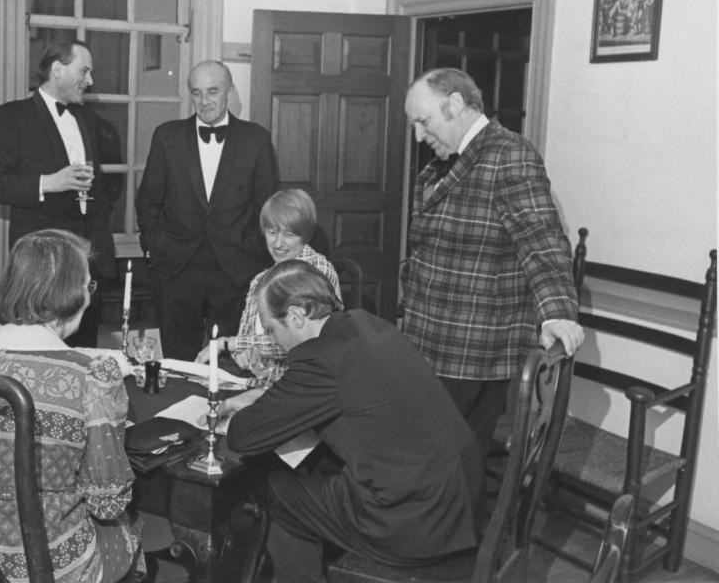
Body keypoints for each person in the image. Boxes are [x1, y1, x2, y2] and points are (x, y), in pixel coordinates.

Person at [225, 260, 484, 583]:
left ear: (295, 316)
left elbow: (242, 436)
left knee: (276, 488)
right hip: (462, 501)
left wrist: (260, 403)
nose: (273, 340)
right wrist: (270, 397)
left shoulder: (319, 361)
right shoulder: (366, 324)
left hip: (415, 524)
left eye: (272, 328)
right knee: (320, 469)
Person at [0, 229, 139, 583]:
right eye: (88, 287)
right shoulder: (91, 375)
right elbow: (108, 500)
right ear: (69, 294)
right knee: (131, 525)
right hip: (48, 567)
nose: (89, 299)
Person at [401, 68, 583, 452]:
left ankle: (457, 515)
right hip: (430, 341)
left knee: (450, 459)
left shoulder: (509, 154)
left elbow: (543, 241)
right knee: (434, 458)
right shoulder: (442, 164)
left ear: (455, 103)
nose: (418, 135)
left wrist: (556, 312)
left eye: (423, 121)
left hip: (472, 350)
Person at [0, 39, 118, 347]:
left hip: (85, 268)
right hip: (42, 269)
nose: (90, 81)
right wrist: (48, 183)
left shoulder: (87, 119)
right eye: (85, 71)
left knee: (83, 356)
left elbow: (104, 192)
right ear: (57, 69)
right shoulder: (12, 116)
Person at [136, 60, 278, 359]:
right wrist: (155, 249)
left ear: (229, 92)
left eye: (213, 91)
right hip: (176, 269)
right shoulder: (167, 136)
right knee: (177, 362)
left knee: (227, 364)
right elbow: (148, 200)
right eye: (197, 92)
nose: (204, 101)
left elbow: (267, 206)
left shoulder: (257, 139)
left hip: (235, 270)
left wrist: (254, 252)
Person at [195, 188, 341, 372]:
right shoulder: (260, 280)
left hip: (305, 379)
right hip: (260, 380)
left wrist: (226, 344)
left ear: (305, 236)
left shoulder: (317, 269)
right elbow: (245, 339)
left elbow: (301, 338)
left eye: (288, 235)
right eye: (272, 233)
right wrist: (245, 355)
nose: (278, 244)